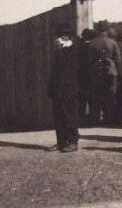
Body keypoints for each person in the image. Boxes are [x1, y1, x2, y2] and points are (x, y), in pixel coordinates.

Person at [47, 24, 81, 152]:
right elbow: (54, 71)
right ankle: (61, 142)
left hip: (70, 88)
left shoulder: (74, 49)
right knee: (59, 116)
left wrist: (60, 49)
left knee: (70, 116)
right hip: (58, 88)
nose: (58, 39)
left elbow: (65, 66)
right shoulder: (59, 50)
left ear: (66, 37)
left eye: (60, 36)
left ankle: (72, 142)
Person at [87, 22, 122, 125]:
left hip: (96, 70)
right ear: (107, 31)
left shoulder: (92, 43)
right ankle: (109, 118)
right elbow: (118, 59)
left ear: (98, 31)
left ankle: (96, 118)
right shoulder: (112, 42)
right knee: (110, 95)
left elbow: (88, 60)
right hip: (110, 71)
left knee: (96, 95)